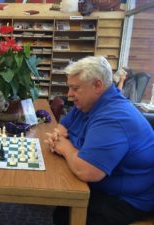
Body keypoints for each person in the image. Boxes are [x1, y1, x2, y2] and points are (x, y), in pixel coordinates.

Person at [45, 56, 154, 225]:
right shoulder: (87, 103)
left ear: (97, 85)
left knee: (66, 216)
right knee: (63, 210)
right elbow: (61, 130)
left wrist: (65, 147)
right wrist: (57, 138)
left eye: (75, 88)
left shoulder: (114, 117)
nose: (69, 95)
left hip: (127, 199)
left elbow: (88, 171)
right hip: (103, 186)